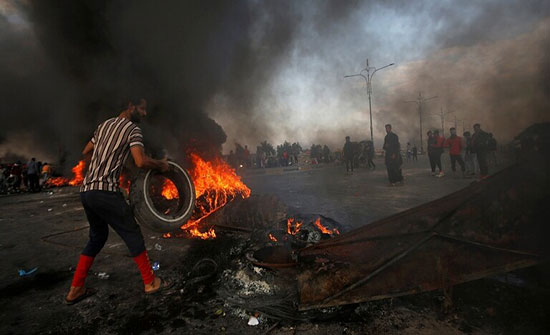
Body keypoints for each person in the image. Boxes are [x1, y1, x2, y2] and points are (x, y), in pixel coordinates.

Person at [65, 98, 170, 305]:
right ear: (131, 106)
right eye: (142, 108)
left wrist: (104, 158)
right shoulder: (133, 130)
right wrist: (161, 164)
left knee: (97, 237)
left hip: (87, 191)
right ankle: (150, 283)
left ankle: (75, 290)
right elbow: (140, 162)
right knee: (133, 234)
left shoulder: (103, 125)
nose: (145, 114)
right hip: (105, 192)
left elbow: (86, 151)